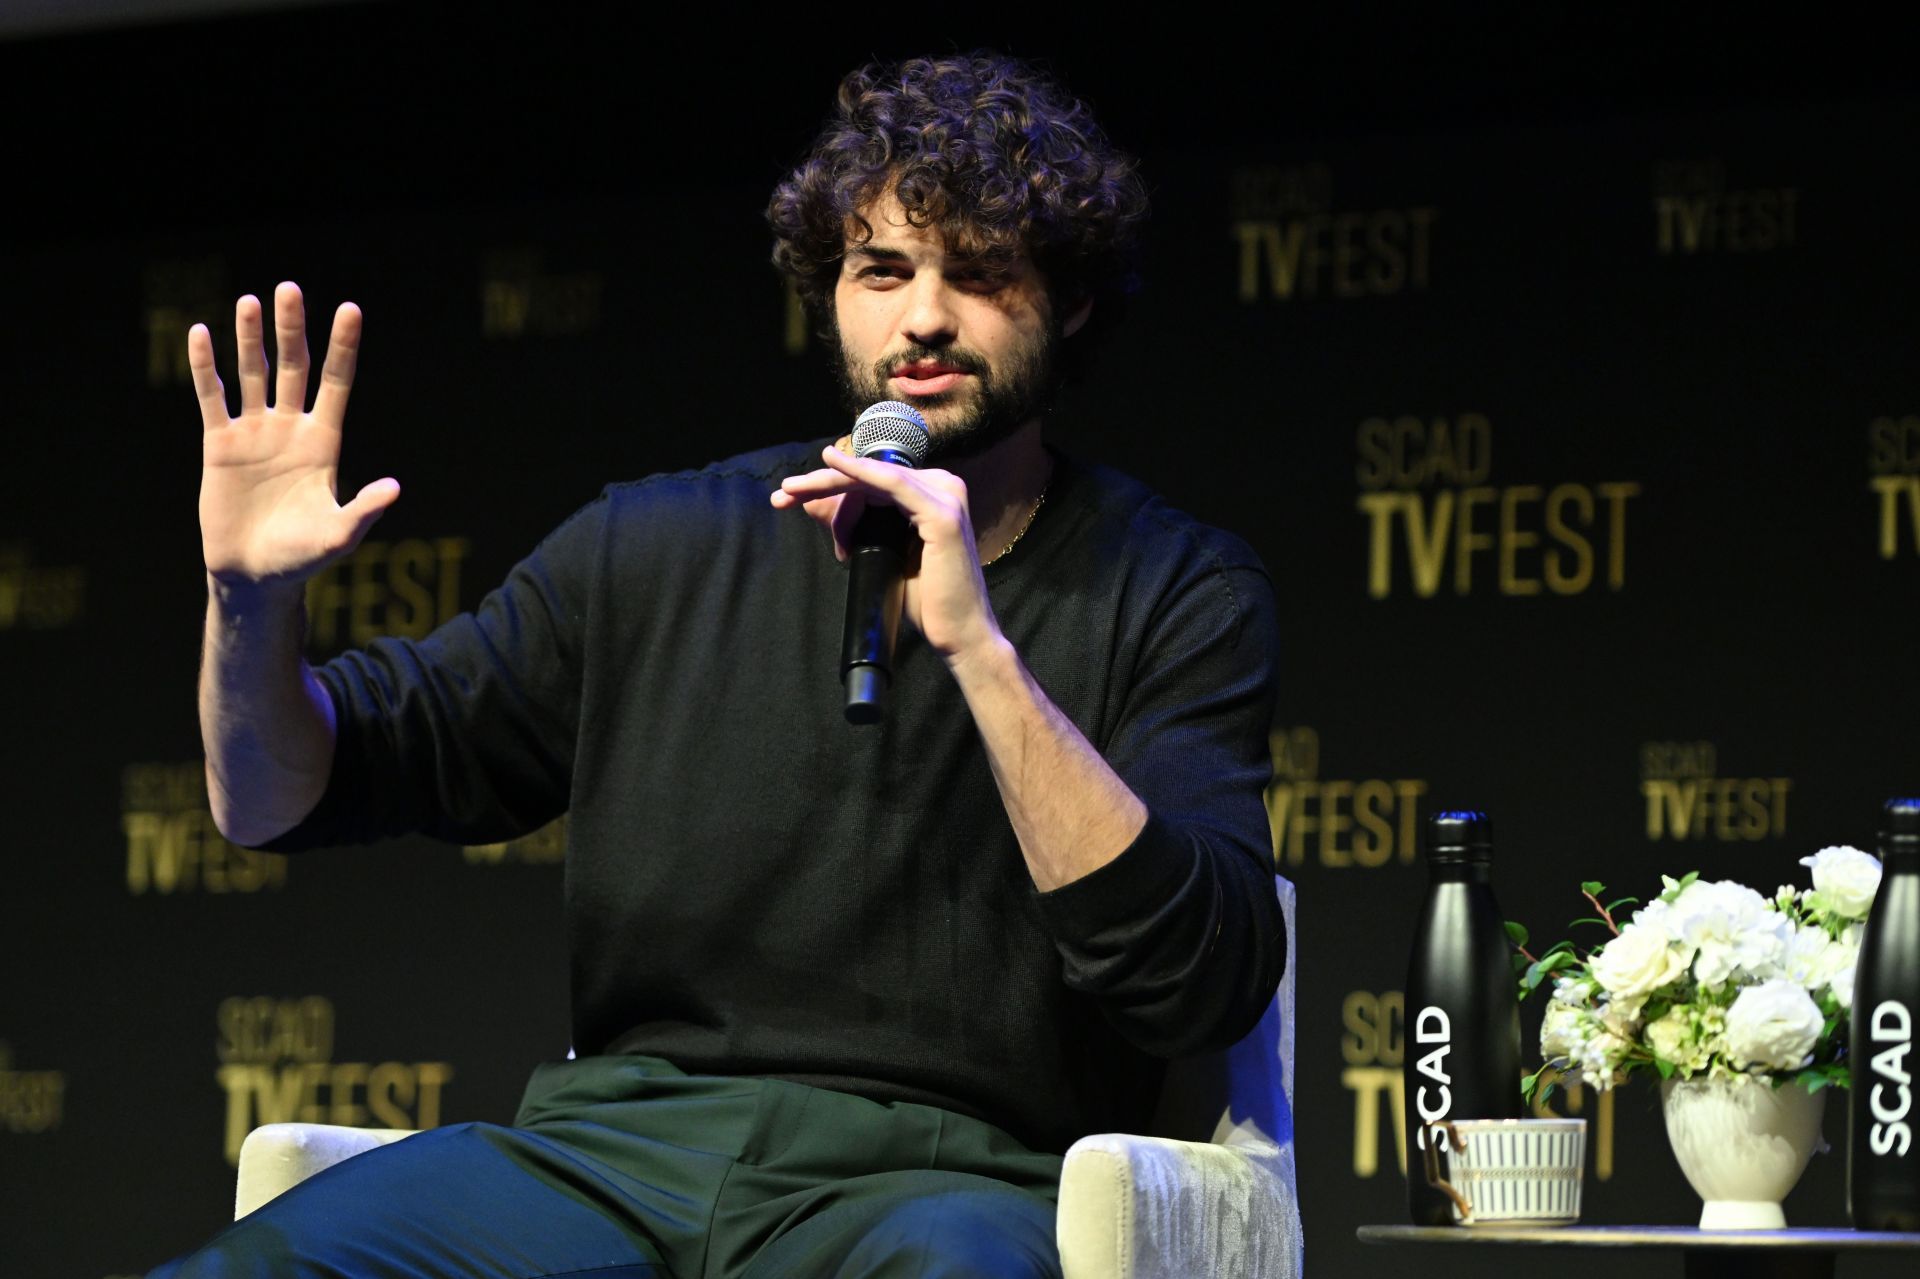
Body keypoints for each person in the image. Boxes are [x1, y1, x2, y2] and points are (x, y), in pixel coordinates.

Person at [158, 51, 1284, 1279]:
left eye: (981, 273)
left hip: (943, 1182)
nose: (922, 317)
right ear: (832, 291)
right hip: (614, 1159)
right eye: (882, 270)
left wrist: (981, 647)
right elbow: (276, 795)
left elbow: (1198, 983)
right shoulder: (652, 543)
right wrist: (247, 607)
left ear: (1065, 302)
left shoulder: (1176, 588)